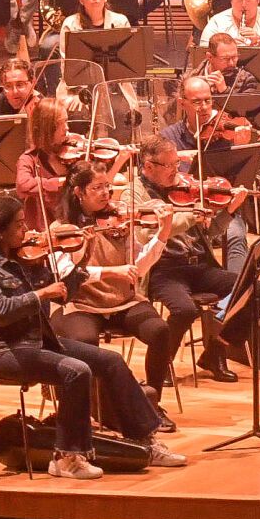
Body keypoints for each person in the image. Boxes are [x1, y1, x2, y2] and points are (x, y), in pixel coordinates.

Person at [0, 191, 184, 480]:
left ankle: (144, 439)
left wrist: (80, 259)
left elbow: (64, 285)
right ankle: (67, 456)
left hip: (36, 341)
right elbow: (0, 311)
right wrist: (42, 293)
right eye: (19, 225)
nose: (28, 231)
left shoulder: (24, 258)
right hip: (4, 351)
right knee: (75, 372)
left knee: (111, 361)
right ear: (0, 232)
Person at [126, 137, 256, 384]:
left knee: (255, 289)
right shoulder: (134, 194)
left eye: (177, 163)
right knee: (185, 310)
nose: (177, 170)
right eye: (169, 165)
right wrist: (190, 217)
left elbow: (210, 234)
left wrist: (229, 211)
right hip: (164, 269)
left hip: (198, 264)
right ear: (149, 165)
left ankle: (217, 349)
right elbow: (144, 233)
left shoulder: (186, 188)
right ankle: (161, 365)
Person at [54, 163, 177, 407]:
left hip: (122, 302)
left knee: (160, 331)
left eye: (107, 187)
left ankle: (152, 403)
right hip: (81, 305)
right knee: (85, 341)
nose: (106, 193)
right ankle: (95, 406)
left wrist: (162, 234)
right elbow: (65, 273)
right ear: (78, 192)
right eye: (97, 188)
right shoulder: (62, 230)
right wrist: (108, 270)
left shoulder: (117, 224)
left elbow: (138, 268)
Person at [14, 98, 77, 229]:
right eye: (61, 123)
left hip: (75, 225)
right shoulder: (29, 159)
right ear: (47, 128)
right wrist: (60, 182)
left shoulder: (73, 155)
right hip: (44, 232)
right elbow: (22, 186)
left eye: (66, 121)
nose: (67, 128)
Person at [199, 31, 260, 97]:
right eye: (225, 58)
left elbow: (246, 107)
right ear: (210, 57)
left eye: (234, 57)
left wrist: (225, 90)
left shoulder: (247, 80)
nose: (231, 63)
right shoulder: (192, 78)